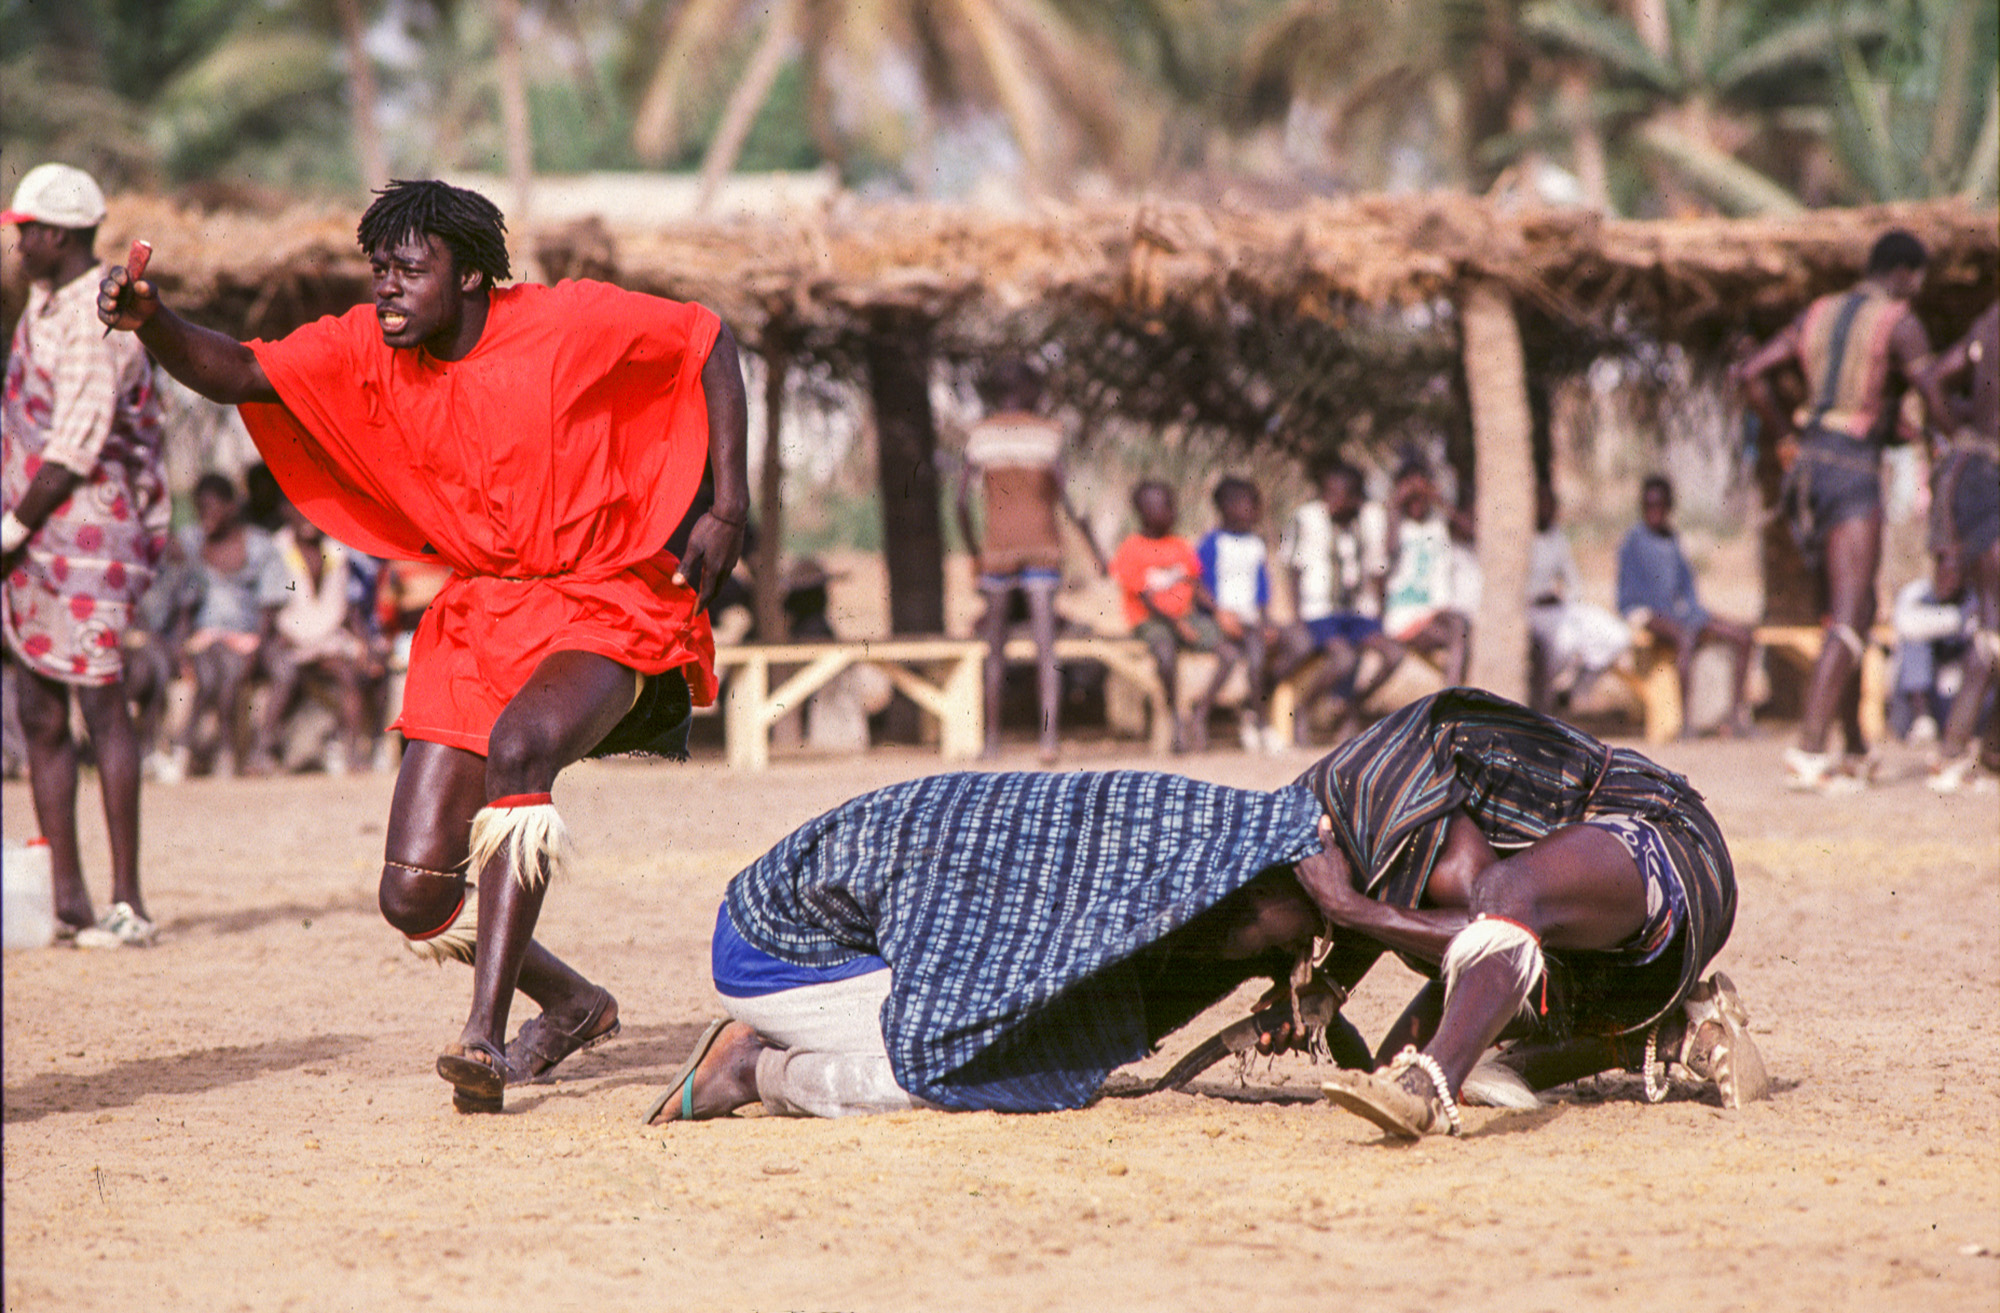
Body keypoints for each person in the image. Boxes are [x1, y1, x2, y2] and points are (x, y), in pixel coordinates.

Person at [99, 178, 748, 1112]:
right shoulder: (367, 348)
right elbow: (240, 369)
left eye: (410, 269)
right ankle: (569, 1002)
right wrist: (153, 320)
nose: (388, 288)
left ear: (474, 274)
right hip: (481, 617)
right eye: (379, 270)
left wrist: (728, 504)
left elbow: (707, 336)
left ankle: (483, 1034)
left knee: (520, 750)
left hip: (603, 597)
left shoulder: (568, 321)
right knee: (412, 897)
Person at [644, 768, 1347, 1122]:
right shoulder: (994, 871)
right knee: (943, 1073)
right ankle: (754, 1069)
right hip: (778, 952)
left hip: (816, 923)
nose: (1286, 948)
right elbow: (936, 1026)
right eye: (1288, 933)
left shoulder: (1129, 832)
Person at [1301, 688, 1766, 1139]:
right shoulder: (1375, 825)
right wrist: (1328, 992)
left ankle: (1430, 1089)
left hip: (1665, 837)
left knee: (1503, 896)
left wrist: (1350, 910)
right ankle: (1679, 1034)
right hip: (1614, 931)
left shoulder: (1399, 790)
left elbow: (1488, 919)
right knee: (1402, 1057)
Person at [1, 163, 172, 947]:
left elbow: (73, 445)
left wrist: (8, 533)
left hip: (89, 532)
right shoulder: (42, 308)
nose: (18, 243)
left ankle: (127, 899)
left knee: (101, 703)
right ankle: (67, 898)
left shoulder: (102, 312)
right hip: (39, 532)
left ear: (59, 235)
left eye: (26, 230)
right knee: (39, 706)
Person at [1734, 230, 1950, 787]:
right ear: (1905, 274)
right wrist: (1962, 437)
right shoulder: (1898, 321)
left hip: (1807, 471)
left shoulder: (1818, 313)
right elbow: (1931, 392)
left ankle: (1853, 747)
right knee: (1854, 614)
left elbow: (1751, 373)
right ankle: (1809, 752)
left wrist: (1786, 438)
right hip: (1853, 471)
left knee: (1841, 611)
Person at [954, 359, 1099, 763]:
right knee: (1045, 645)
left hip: (997, 548)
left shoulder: (980, 436)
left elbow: (961, 501)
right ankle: (1048, 739)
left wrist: (974, 552)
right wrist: (1092, 547)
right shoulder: (1047, 434)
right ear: (1031, 390)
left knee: (995, 646)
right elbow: (1065, 496)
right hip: (1042, 546)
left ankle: (993, 739)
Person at [1920, 302, 1999, 792]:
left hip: (1969, 470)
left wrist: (1959, 433)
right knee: (1994, 621)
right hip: (1989, 477)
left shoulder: (1989, 317)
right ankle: (1951, 755)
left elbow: (1933, 379)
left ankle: (1989, 751)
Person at [1614, 476, 1757, 738]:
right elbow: (1629, 596)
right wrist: (1672, 614)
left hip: (1677, 612)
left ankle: (1737, 717)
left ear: (1669, 507)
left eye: (1659, 506)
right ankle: (1687, 724)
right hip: (1643, 611)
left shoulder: (1672, 539)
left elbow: (1687, 588)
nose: (1654, 512)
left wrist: (1694, 613)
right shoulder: (1633, 541)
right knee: (1685, 637)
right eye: (1649, 506)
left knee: (1744, 636)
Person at [1273, 459, 1402, 744]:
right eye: (1327, 493)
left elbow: (1377, 569)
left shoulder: (1369, 519)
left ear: (1355, 498)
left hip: (1358, 611)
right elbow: (1291, 569)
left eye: (1339, 495)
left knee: (1394, 654)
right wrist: (1297, 618)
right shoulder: (1306, 518)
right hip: (1319, 610)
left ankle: (1352, 706)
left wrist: (1380, 616)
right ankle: (1304, 709)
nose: (1331, 501)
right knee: (1344, 658)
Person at [1107, 481, 1241, 751]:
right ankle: (1174, 716)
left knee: (1229, 652)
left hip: (1185, 619)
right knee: (1165, 654)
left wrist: (1218, 612)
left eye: (1171, 505)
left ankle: (1201, 712)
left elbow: (1196, 585)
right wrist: (1177, 625)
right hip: (1150, 621)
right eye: (1163, 506)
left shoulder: (1180, 545)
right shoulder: (1132, 548)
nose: (1171, 512)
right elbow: (1144, 597)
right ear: (1143, 511)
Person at [168, 472, 286, 777]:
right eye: (199, 510)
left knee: (282, 670)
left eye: (211, 509)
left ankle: (260, 751)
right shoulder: (193, 543)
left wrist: (257, 647)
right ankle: (216, 750)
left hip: (251, 636)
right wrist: (182, 647)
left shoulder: (259, 546)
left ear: (232, 507)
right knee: (215, 672)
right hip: (208, 638)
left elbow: (269, 605)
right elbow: (184, 602)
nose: (204, 517)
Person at [254, 497, 380, 775]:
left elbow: (348, 608)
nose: (306, 520)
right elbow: (272, 605)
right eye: (298, 512)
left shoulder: (335, 552)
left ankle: (352, 753)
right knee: (284, 675)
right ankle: (261, 751)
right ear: (286, 512)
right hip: (289, 638)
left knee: (348, 676)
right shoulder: (278, 550)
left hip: (328, 638)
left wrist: (365, 644)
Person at [1528, 481, 1630, 714]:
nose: (1546, 510)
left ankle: (1575, 690)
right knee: (1562, 643)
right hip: (1531, 612)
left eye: (1550, 505)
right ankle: (1543, 702)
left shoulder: (1558, 538)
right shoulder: (1520, 538)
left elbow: (1574, 582)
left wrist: (1563, 599)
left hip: (1559, 608)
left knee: (1617, 635)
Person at [1196, 476, 1275, 751]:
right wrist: (1219, 613)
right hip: (1218, 617)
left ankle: (1257, 720)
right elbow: (1198, 585)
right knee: (1232, 658)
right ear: (1224, 507)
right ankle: (1202, 714)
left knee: (1258, 660)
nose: (1251, 511)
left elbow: (1262, 588)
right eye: (1244, 505)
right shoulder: (1212, 542)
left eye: (1254, 505)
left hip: (1248, 618)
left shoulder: (1256, 544)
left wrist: (1266, 621)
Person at [1380, 459, 1470, 685]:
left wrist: (1436, 497)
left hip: (1436, 612)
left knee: (1463, 628)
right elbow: (1389, 550)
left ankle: (1451, 692)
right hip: (1405, 616)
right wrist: (1398, 501)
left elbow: (1470, 530)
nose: (1417, 502)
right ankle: (1451, 697)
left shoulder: (1439, 522)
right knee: (1459, 629)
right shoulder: (1393, 523)